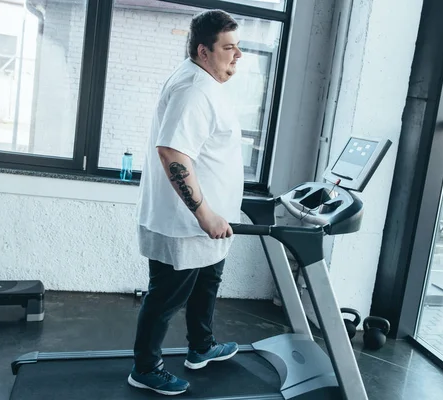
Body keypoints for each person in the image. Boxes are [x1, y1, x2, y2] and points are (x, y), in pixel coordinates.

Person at [128, 9, 244, 396]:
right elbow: (173, 153)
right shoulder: (195, 89)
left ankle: (202, 347)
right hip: (188, 222)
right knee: (166, 296)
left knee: (207, 283)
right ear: (203, 51)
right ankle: (145, 367)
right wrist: (206, 214)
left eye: (238, 46)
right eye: (229, 47)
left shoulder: (202, 80)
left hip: (208, 225)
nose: (237, 55)